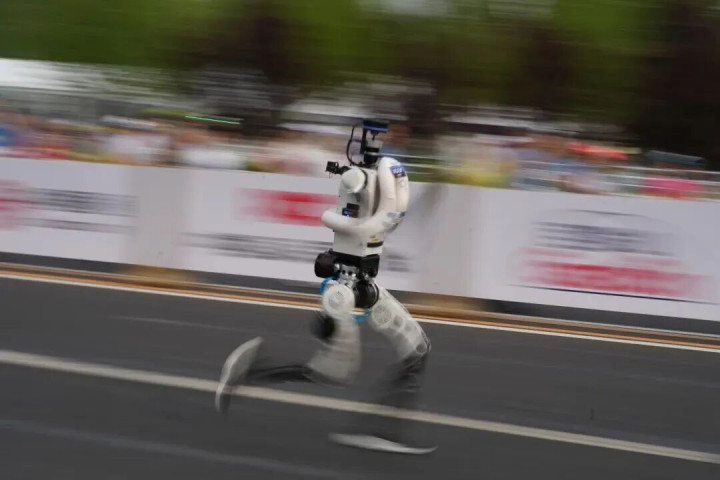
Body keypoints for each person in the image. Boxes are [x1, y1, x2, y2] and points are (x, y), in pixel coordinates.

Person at [214, 120, 434, 454]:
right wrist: (365, 223)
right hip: (343, 287)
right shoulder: (355, 179)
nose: (375, 144)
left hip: (364, 281)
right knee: (334, 372)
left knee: (418, 347)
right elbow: (346, 221)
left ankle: (384, 429)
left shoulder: (380, 177)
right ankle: (247, 373)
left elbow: (381, 218)